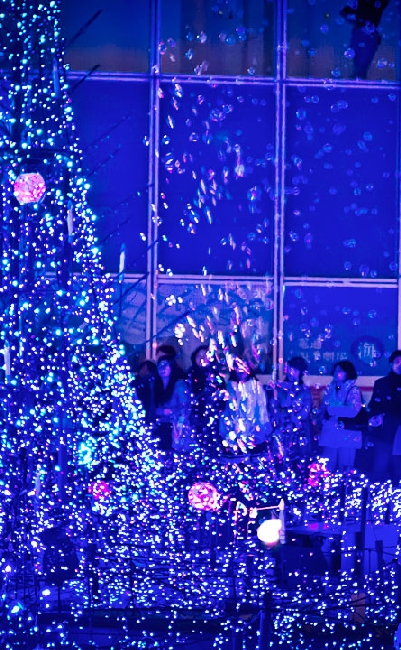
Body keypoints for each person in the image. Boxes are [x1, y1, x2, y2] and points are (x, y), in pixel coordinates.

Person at [318, 360, 363, 473]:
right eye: (335, 370)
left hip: (347, 433)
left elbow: (352, 411)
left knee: (346, 465)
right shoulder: (330, 388)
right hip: (330, 431)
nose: (336, 373)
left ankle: (345, 483)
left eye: (340, 371)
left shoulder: (353, 390)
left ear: (348, 373)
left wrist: (331, 410)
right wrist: (322, 417)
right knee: (328, 465)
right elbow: (323, 406)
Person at [220, 357, 272, 455]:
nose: (241, 372)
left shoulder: (255, 386)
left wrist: (260, 424)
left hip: (253, 428)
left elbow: (261, 407)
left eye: (243, 368)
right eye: (238, 368)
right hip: (235, 428)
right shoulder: (231, 386)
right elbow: (228, 408)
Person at [269, 356, 312, 475]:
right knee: (281, 458)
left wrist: (296, 418)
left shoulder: (304, 390)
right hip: (282, 429)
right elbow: (276, 408)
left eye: (296, 370)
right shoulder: (279, 389)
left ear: (301, 372)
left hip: (299, 429)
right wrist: (288, 394)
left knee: (299, 460)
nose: (292, 372)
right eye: (290, 369)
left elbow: (305, 411)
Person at [186, 344, 226, 457]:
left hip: (212, 420)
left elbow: (222, 398)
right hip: (192, 418)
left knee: (212, 448)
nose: (202, 358)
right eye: (199, 355)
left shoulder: (216, 377)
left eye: (205, 355)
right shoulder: (188, 376)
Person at [367, 350, 401, 483]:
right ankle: (377, 490)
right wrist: (375, 416)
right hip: (384, 429)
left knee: (399, 464)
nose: (400, 365)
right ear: (390, 363)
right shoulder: (381, 383)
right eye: (397, 362)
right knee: (381, 462)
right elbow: (373, 405)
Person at [152, 356, 188, 452]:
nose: (162, 368)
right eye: (160, 366)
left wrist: (170, 412)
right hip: (158, 424)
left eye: (166, 365)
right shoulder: (155, 386)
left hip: (174, 426)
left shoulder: (179, 385)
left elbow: (184, 406)